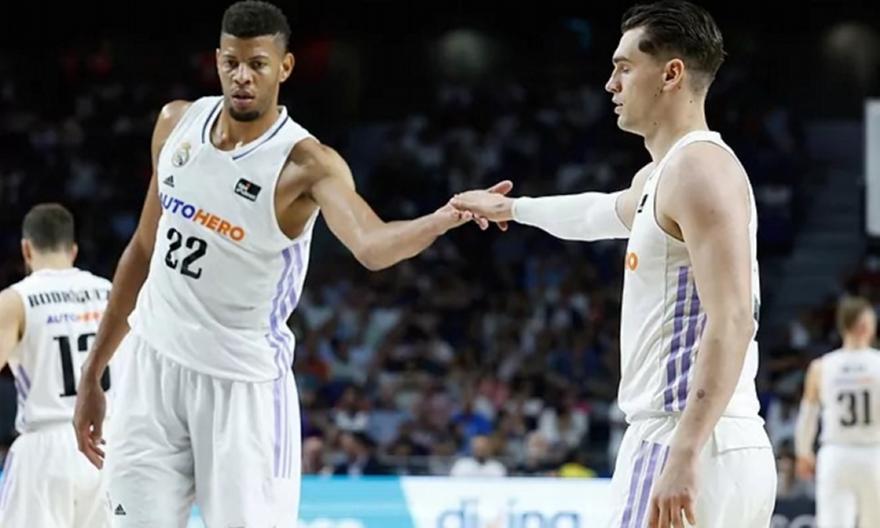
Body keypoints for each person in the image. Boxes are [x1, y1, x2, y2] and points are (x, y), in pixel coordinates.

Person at [72, 1, 503, 526]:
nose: (242, 76)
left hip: (240, 388)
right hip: (151, 368)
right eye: (232, 62)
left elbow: (372, 246)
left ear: (285, 67)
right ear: (217, 60)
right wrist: (94, 370)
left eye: (257, 64)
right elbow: (143, 249)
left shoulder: (306, 164)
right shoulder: (175, 124)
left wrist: (443, 217)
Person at [451, 2, 775, 526]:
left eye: (624, 67)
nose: (610, 84)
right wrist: (512, 209)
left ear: (671, 74)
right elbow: (598, 212)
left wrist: (684, 452)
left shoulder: (697, 169)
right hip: (718, 441)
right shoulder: (667, 174)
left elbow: (734, 318)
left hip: (683, 434)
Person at [0, 204, 113, 527]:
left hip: (45, 449)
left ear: (26, 249)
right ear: (73, 250)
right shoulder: (111, 292)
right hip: (108, 443)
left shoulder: (16, 299)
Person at [795, 296, 880, 528]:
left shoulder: (821, 366)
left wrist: (803, 452)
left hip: (836, 454)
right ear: (866, 325)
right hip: (874, 454)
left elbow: (808, 414)